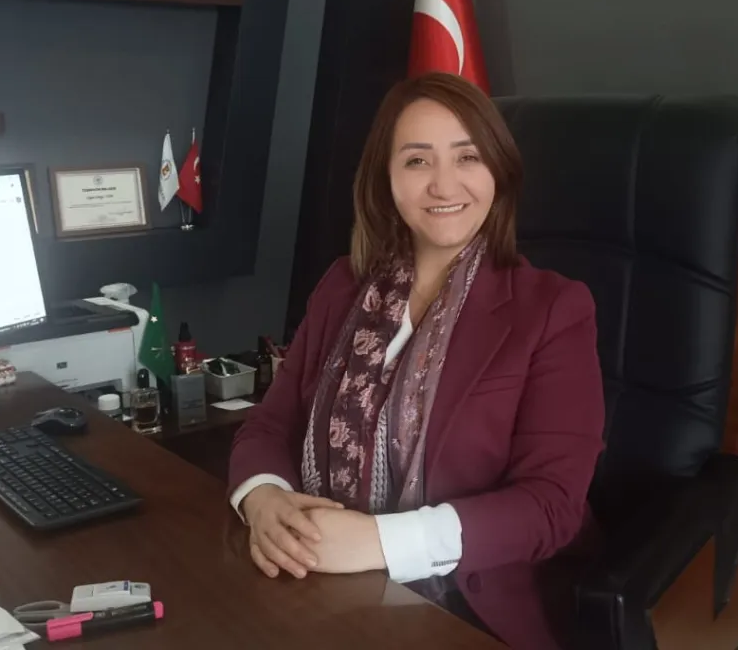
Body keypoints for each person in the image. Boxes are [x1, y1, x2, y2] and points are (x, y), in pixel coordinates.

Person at [228, 72, 605, 649]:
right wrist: (263, 497)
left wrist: (378, 542)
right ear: (386, 179)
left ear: (498, 171)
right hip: (313, 578)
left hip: (464, 608)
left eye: (467, 157)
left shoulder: (553, 309)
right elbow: (270, 424)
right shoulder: (342, 286)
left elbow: (551, 506)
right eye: (417, 161)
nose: (443, 183)